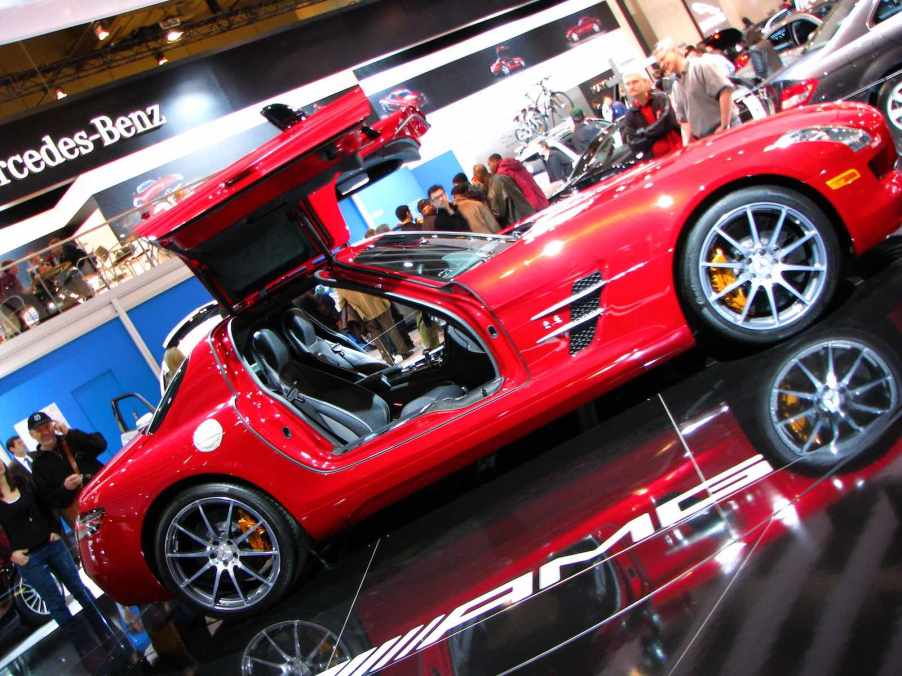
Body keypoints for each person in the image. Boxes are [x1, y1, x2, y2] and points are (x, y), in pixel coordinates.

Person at [0, 460, 114, 639]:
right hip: (29, 558)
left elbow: (45, 505)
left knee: (79, 588)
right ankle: (83, 643)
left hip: (52, 544)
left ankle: (107, 630)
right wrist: (10, 554)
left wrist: (55, 529)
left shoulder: (22, 482)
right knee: (55, 602)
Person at [28, 411, 106, 527]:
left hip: (104, 492)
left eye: (47, 426)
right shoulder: (38, 465)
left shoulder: (72, 438)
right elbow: (49, 499)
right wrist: (66, 488)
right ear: (32, 435)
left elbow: (100, 445)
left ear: (54, 425)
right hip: (85, 515)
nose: (45, 432)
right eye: (39, 430)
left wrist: (68, 431)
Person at [654, 41, 738, 143]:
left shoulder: (701, 66)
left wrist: (724, 125)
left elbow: (725, 92)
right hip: (705, 140)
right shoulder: (675, 87)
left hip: (728, 130)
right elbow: (684, 121)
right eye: (659, 63)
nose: (662, 65)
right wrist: (688, 146)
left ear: (674, 51)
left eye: (663, 59)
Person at [335, 289, 412, 364]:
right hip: (379, 305)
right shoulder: (360, 276)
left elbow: (341, 303)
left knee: (377, 338)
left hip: (363, 313)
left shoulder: (339, 287)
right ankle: (404, 352)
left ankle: (388, 360)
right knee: (391, 330)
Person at [621, 71, 683, 159]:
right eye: (628, 84)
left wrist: (641, 133)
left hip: (679, 151)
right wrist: (656, 131)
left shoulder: (661, 98)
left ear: (646, 83)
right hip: (656, 161)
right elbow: (632, 143)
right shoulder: (630, 115)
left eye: (635, 82)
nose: (631, 86)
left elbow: (667, 123)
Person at [472, 164, 534, 228]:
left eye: (475, 176)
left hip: (520, 222)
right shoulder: (500, 177)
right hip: (527, 214)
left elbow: (497, 212)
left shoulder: (494, 186)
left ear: (479, 176)